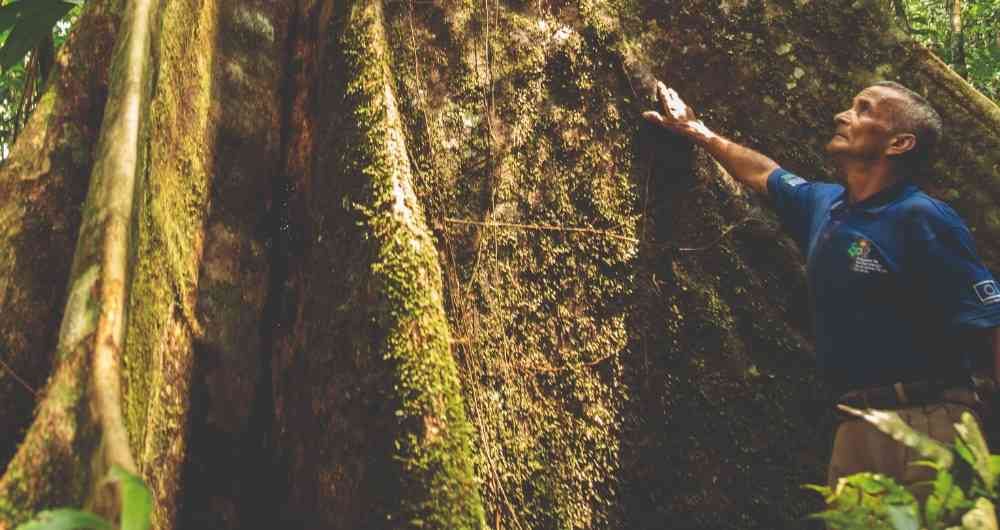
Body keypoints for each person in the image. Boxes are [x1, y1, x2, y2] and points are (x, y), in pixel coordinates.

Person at [642, 80, 1000, 491]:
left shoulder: (921, 217)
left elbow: (991, 324)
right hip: (854, 426)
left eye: (864, 110)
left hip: (929, 420)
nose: (843, 115)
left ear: (899, 143)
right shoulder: (824, 203)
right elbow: (762, 172)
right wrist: (696, 130)